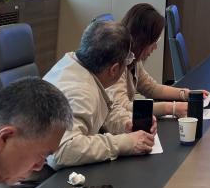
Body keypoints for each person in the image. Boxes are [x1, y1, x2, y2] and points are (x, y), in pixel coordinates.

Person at [43, 18, 156, 167]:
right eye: (128, 59)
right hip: (42, 176)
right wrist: (125, 143)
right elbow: (63, 150)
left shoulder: (76, 64)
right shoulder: (81, 92)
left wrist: (126, 123)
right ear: (114, 70)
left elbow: (105, 110)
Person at [109, 3, 210, 119]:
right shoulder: (116, 61)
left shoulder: (133, 58)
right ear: (142, 39)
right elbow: (122, 107)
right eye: (155, 41)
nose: (155, 47)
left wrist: (187, 94)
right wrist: (171, 108)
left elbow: (151, 88)